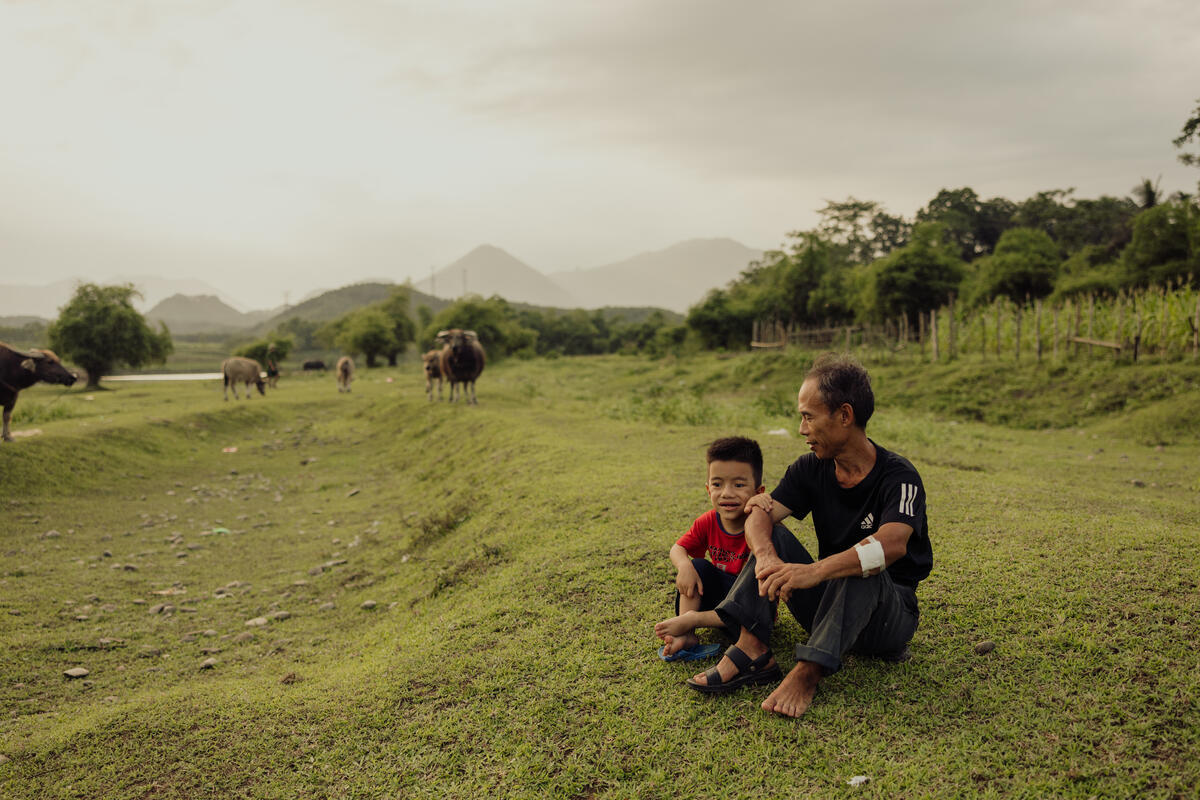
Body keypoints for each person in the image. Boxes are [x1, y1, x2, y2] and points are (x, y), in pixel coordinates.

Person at [686, 353, 932, 719]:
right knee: (774, 537)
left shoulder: (899, 477)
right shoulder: (810, 467)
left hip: (887, 618)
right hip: (827, 608)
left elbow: (892, 544)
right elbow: (758, 511)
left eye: (808, 416)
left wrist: (815, 571)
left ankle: (808, 671)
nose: (802, 429)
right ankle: (752, 648)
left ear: (844, 416)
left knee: (863, 563)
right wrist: (768, 555)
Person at [654, 436, 792, 661]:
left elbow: (780, 543)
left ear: (758, 492)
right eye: (718, 484)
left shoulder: (763, 526)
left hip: (750, 614)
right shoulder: (707, 521)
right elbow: (678, 548)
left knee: (754, 582)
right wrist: (684, 566)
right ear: (708, 489)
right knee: (697, 566)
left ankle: (691, 621)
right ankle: (687, 635)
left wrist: (766, 514)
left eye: (739, 485)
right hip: (720, 601)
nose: (727, 493)